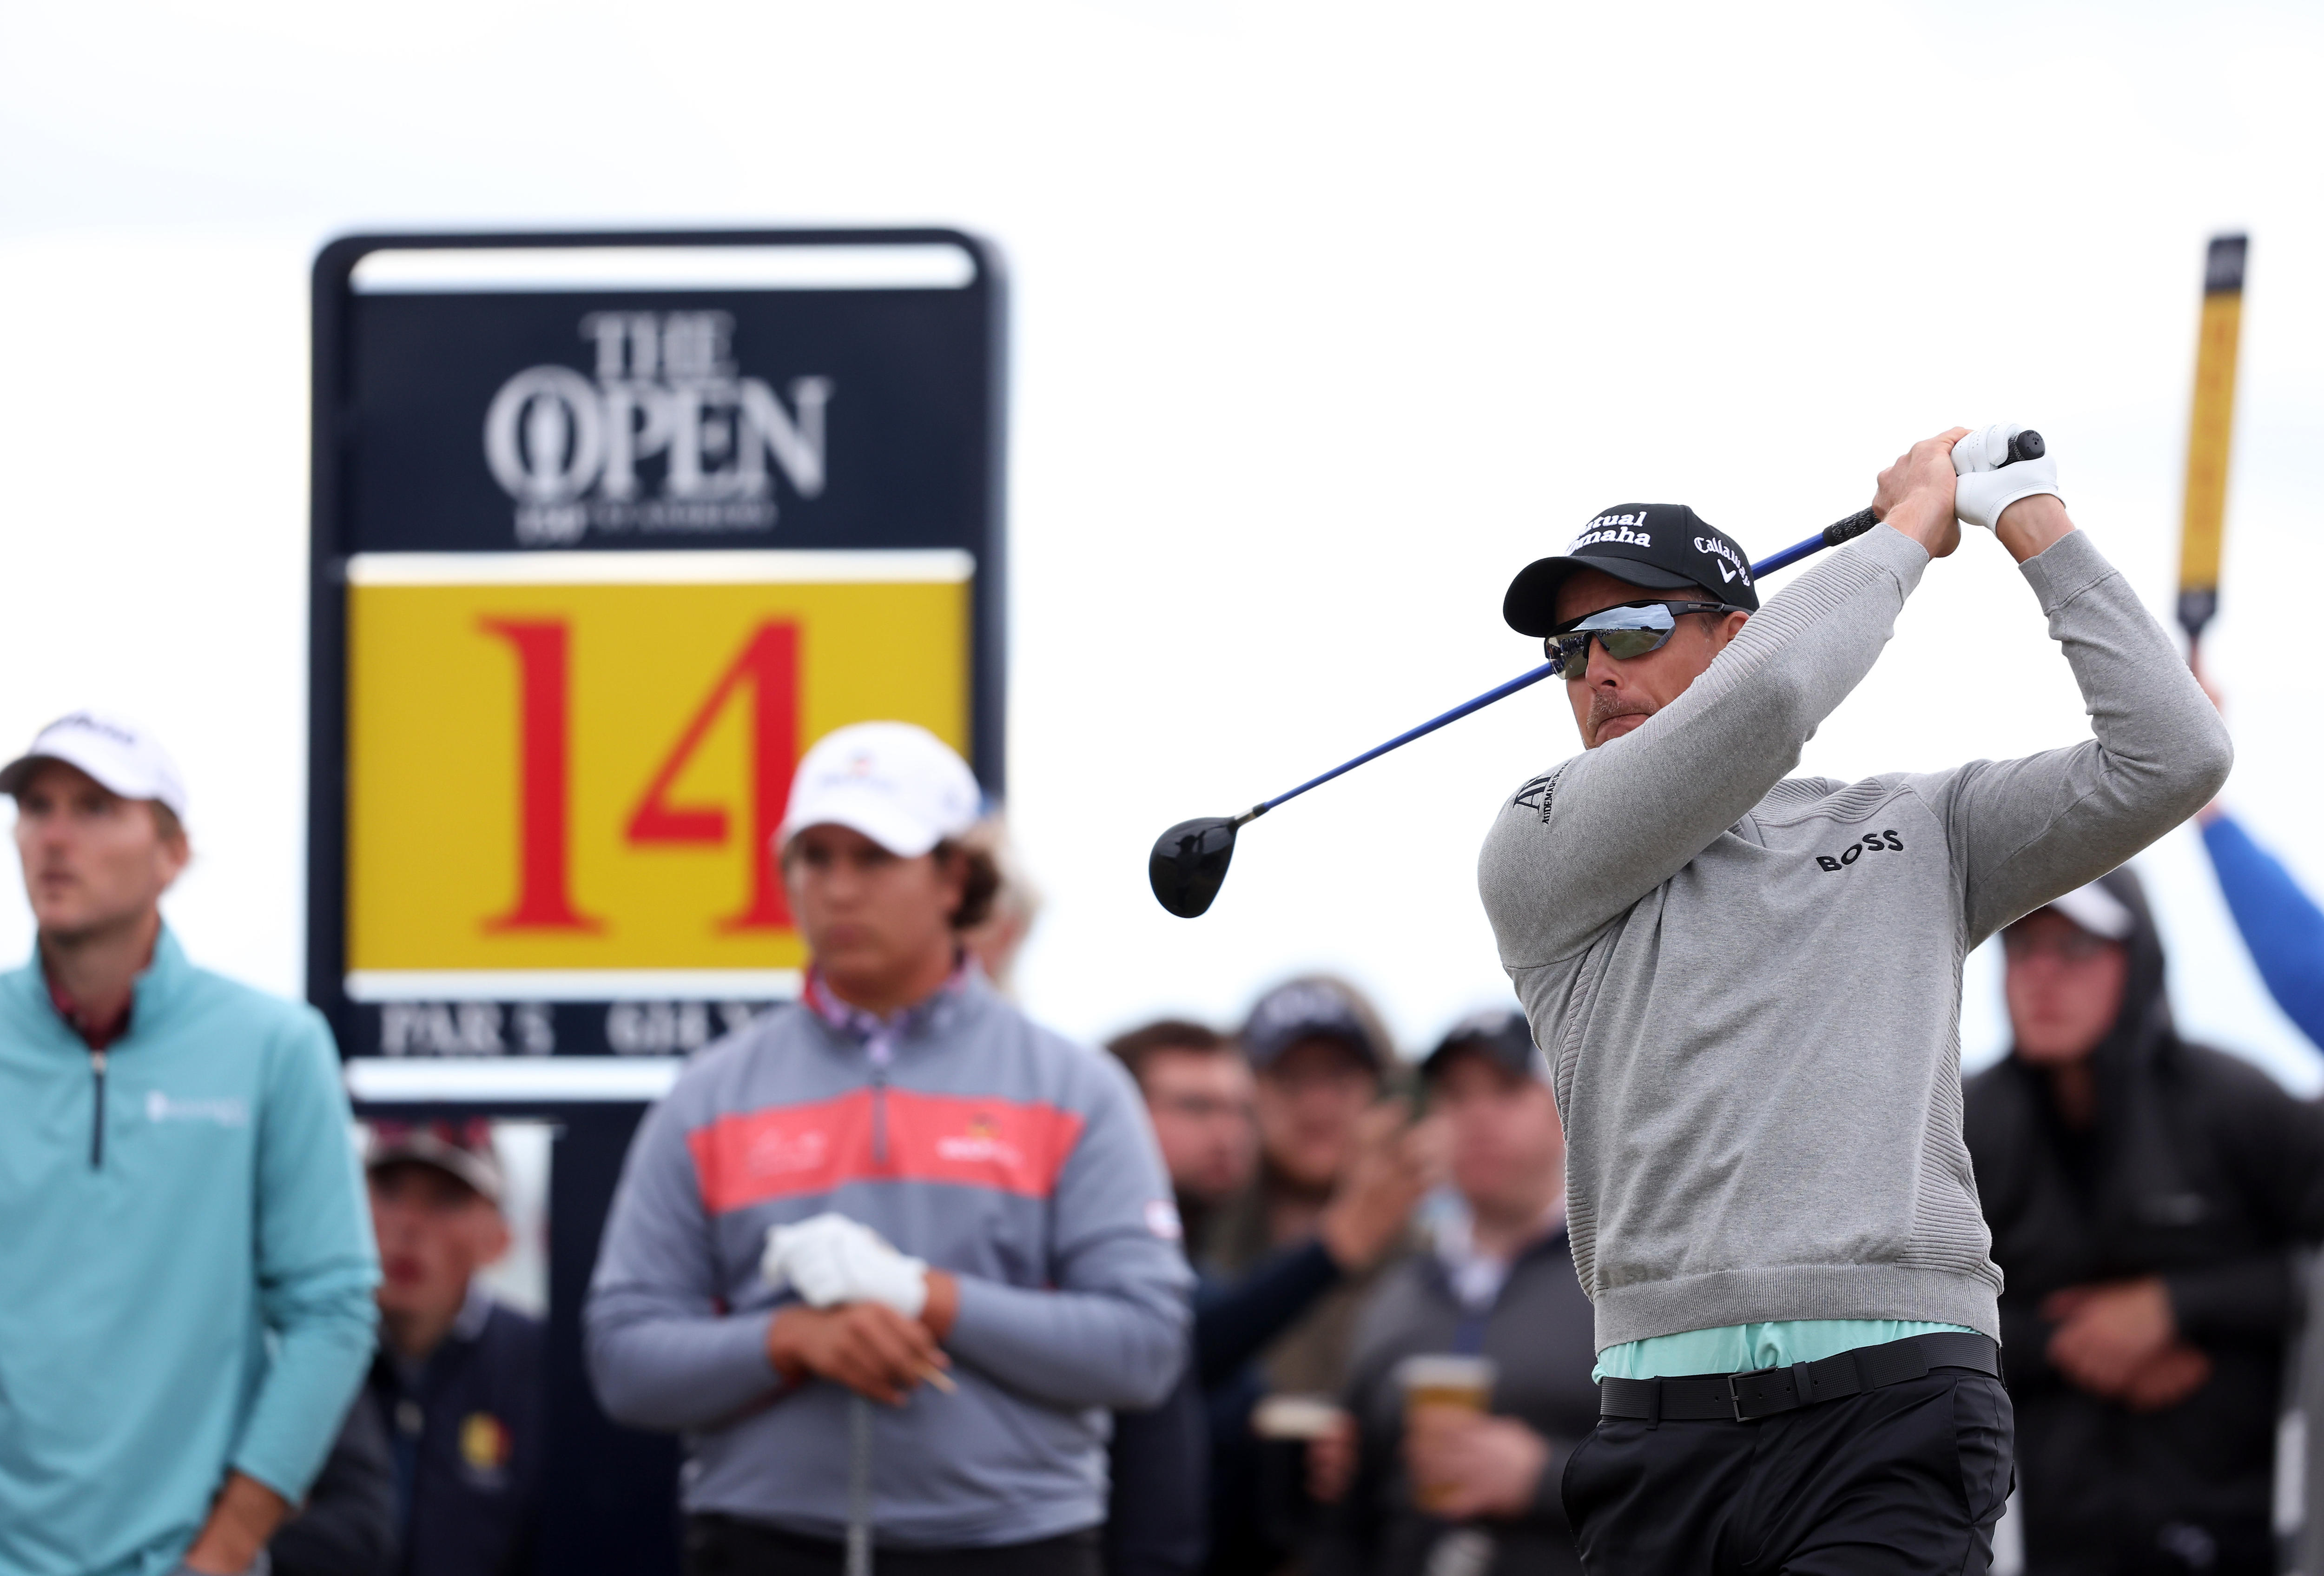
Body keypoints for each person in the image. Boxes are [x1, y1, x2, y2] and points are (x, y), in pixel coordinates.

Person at [1477, 427, 2234, 1572]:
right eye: (1566, 652)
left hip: (1893, 1415)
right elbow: (1771, 701)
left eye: (1631, 630)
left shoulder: (1915, 828)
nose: (1597, 673)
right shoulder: (1541, 845)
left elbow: (2172, 755)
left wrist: (2027, 519)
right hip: (1653, 1435)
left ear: (1734, 633)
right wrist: (1903, 539)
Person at [586, 721, 1190, 1575]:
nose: (836, 889)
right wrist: (791, 1341)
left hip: (1016, 1549)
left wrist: (924, 1296)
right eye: (814, 857)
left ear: (955, 877)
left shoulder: (1073, 1088)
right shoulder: (710, 1095)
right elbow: (624, 1358)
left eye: (873, 858)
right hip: (761, 1545)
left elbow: (1144, 1348)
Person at [0, 712, 380, 1576]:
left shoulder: (274, 1046)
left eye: (95, 808)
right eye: (37, 807)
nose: (55, 837)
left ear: (171, 853)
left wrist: (222, 1552)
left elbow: (332, 1310)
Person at [1963, 870, 2324, 1574]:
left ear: (2140, 963)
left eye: (2074, 947)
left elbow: (2311, 1277)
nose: (2041, 975)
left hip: (2238, 1534)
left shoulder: (2235, 1104)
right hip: (2041, 1539)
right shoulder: (1963, 1131)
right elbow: (1907, 1315)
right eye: (2023, 947)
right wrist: (2072, 1339)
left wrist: (2179, 1305)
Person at [1313, 1010, 1598, 1576]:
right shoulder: (1393, 1297)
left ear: (1562, 1109)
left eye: (1505, 1090)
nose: (1476, 1117)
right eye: (1454, 1096)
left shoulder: (1620, 1284)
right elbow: (1351, 1510)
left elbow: (1707, 1479)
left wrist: (1547, 1481)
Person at [1196, 980, 1444, 1576]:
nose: (1316, 1105)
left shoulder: (1441, 1260)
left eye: (1338, 1078)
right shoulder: (1192, 1233)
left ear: (1385, 1094)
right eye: (1289, 1079)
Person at [1102, 1020, 1258, 1576]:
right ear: (1115, 1110)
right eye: (1196, 1106)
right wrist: (1339, 1244)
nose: (1228, 1133)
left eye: (1242, 1110)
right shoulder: (1078, 1265)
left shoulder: (1206, 1270)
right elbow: (1178, 1345)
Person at [362, 1120, 544, 1576]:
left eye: (447, 1199)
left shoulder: (544, 1367)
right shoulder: (300, 1356)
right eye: (389, 1189)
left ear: (500, 1238)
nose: (409, 1223)